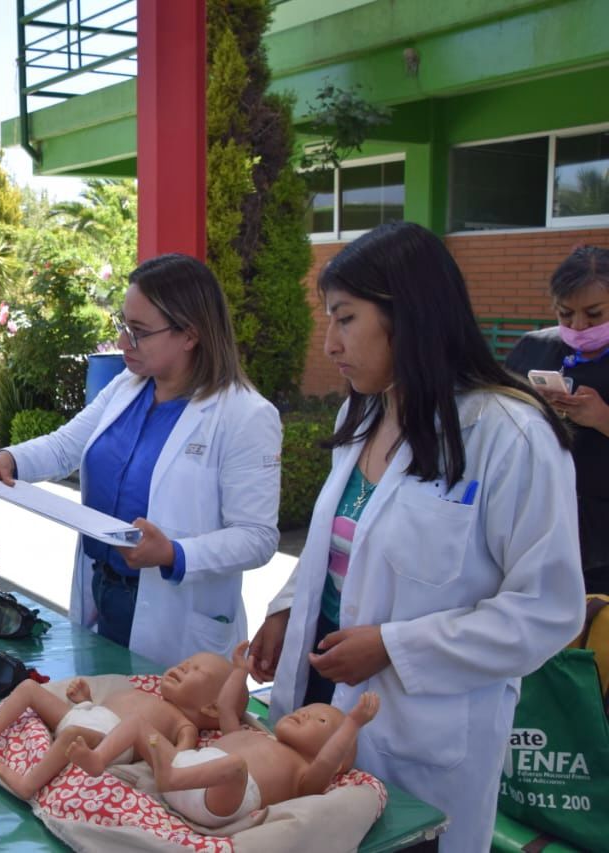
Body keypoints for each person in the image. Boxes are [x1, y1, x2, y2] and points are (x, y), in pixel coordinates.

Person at [249, 222, 586, 852]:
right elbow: (341, 538)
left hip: (420, 727)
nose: (330, 344)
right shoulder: (364, 409)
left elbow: (548, 611)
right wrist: (288, 607)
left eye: (345, 319)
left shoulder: (509, 434)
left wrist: (396, 648)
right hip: (320, 695)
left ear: (408, 315)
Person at [0, 253, 281, 665]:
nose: (122, 343)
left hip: (177, 623)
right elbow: (67, 445)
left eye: (138, 332)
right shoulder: (128, 385)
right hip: (103, 594)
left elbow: (257, 537)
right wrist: (11, 459)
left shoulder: (245, 415)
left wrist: (174, 553)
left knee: (163, 727)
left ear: (190, 334)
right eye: (122, 325)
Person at [77, 650, 380, 829]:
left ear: (337, 761)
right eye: (307, 709)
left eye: (321, 720)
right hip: (185, 771)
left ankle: (167, 775)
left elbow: (326, 760)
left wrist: (352, 723)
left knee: (235, 764)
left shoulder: (305, 774)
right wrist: (239, 671)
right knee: (137, 724)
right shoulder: (250, 734)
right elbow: (224, 706)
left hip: (218, 799)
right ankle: (98, 758)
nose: (305, 714)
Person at [0, 652, 237, 800]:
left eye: (195, 671)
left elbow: (177, 762)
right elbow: (109, 709)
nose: (183, 666)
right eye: (186, 662)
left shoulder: (183, 724)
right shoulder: (149, 693)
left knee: (72, 735)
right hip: (88, 715)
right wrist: (85, 702)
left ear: (212, 707)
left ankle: (27, 784)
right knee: (30, 687)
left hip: (106, 742)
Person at [505, 245, 609, 594]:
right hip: (540, 520)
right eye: (566, 314)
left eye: (594, 314)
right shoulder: (534, 348)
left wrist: (601, 418)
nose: (579, 326)